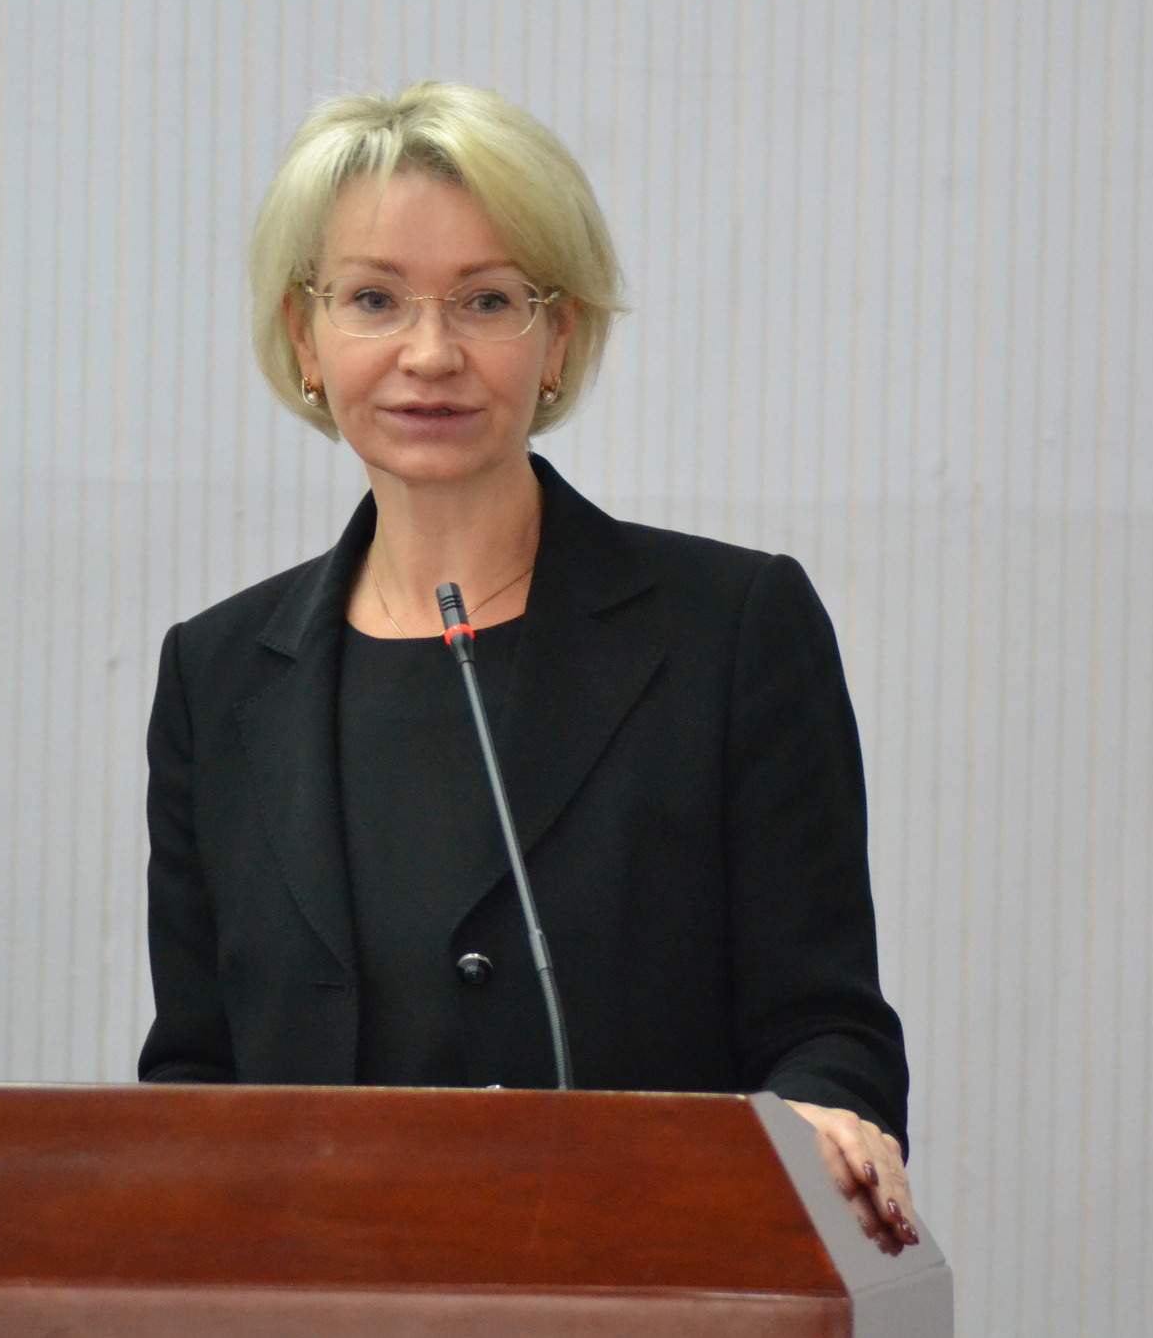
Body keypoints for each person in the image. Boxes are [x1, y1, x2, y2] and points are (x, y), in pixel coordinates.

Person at [137, 82, 918, 1250]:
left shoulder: (731, 630)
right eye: (373, 299)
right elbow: (194, 1078)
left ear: (557, 336)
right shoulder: (218, 679)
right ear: (305, 337)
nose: (429, 353)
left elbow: (826, 1030)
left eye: (488, 300)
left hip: (647, 1280)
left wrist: (826, 1118)